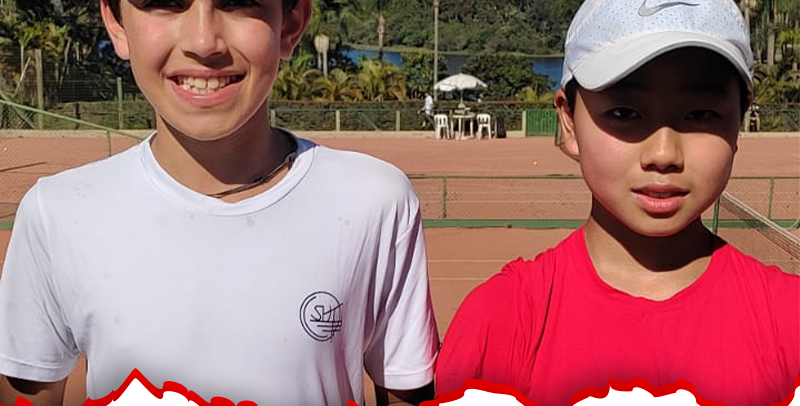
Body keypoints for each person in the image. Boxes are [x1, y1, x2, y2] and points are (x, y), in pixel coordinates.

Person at [0, 0, 438, 405]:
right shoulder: (57, 213)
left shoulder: (375, 202)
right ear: (117, 25)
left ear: (290, 24)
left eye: (238, 2)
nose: (203, 41)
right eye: (164, 2)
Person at [435, 1, 800, 405]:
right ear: (568, 122)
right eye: (625, 112)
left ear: (739, 120)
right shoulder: (499, 322)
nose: (663, 154)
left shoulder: (790, 322)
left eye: (700, 114)